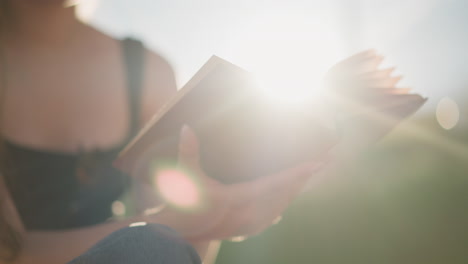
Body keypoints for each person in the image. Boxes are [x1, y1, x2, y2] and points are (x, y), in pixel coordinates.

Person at [0, 1, 330, 263]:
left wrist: (213, 213)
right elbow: (12, 253)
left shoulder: (146, 71)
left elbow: (176, 248)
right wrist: (182, 223)